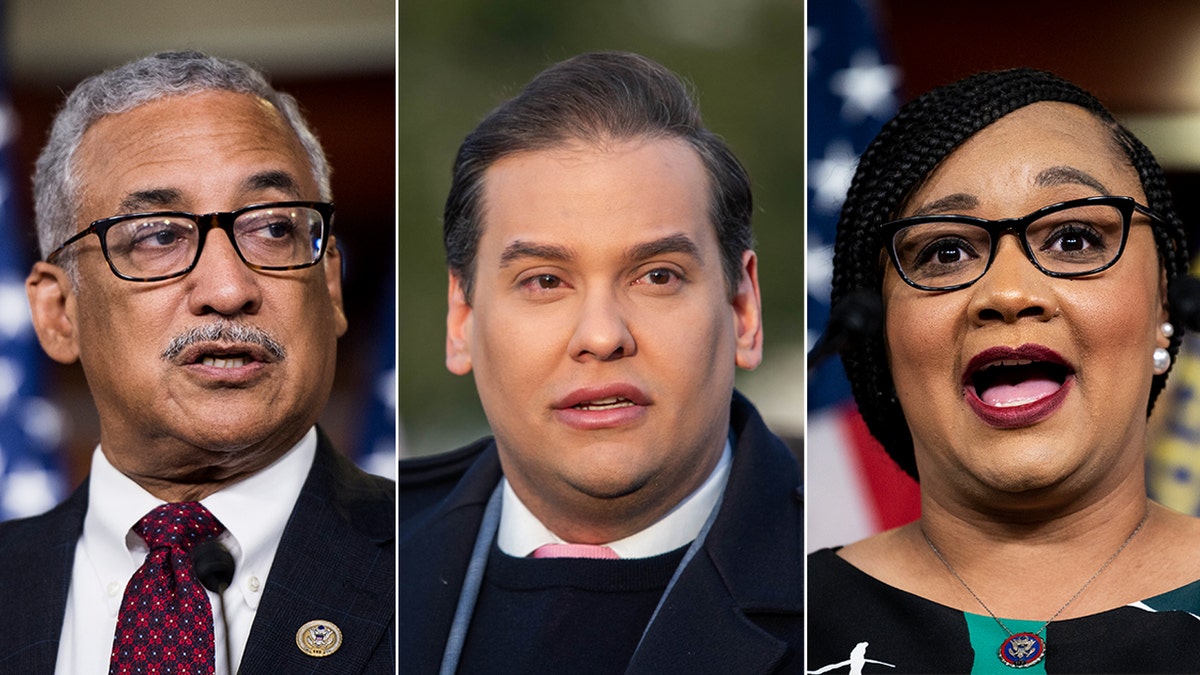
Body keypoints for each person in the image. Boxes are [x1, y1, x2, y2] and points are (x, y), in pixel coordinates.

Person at [399, 51, 802, 674]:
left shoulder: (865, 574)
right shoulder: (353, 563)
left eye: (658, 275)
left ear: (743, 308)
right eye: (543, 281)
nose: (601, 336)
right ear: (462, 321)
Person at [0, 52, 394, 674]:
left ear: (332, 288)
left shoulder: (434, 568)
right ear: (58, 312)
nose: (229, 288)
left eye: (271, 229)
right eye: (159, 236)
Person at [806, 68, 1198, 673]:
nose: (1009, 292)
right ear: (880, 333)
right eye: (945, 252)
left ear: (1163, 309)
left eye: (1073, 238)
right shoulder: (779, 625)